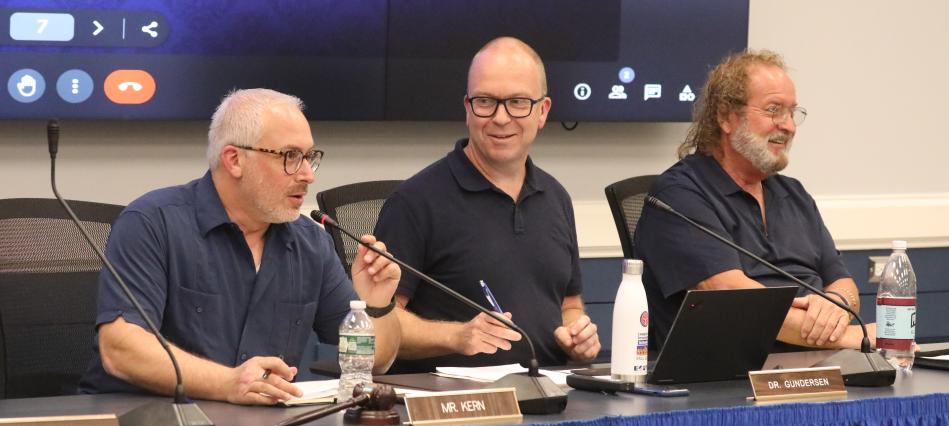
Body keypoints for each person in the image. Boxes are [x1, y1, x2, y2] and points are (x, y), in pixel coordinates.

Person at [79, 88, 403, 405]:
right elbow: (121, 349)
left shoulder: (311, 241)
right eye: (290, 156)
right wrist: (228, 383)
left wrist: (377, 305)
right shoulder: (152, 222)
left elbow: (373, 362)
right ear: (234, 160)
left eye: (309, 157)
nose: (307, 175)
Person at [375, 37, 600, 373]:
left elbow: (569, 304)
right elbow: (380, 324)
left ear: (543, 112)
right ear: (467, 109)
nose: (500, 117)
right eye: (485, 102)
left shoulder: (556, 197)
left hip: (551, 396)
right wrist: (456, 336)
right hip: (456, 406)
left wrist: (577, 335)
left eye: (518, 102)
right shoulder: (415, 203)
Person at [634, 49, 873, 352]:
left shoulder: (794, 194)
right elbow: (734, 299)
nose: (788, 126)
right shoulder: (677, 197)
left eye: (792, 113)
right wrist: (852, 336)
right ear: (725, 117)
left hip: (818, 368)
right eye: (774, 110)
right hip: (727, 380)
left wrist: (837, 306)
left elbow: (843, 283)